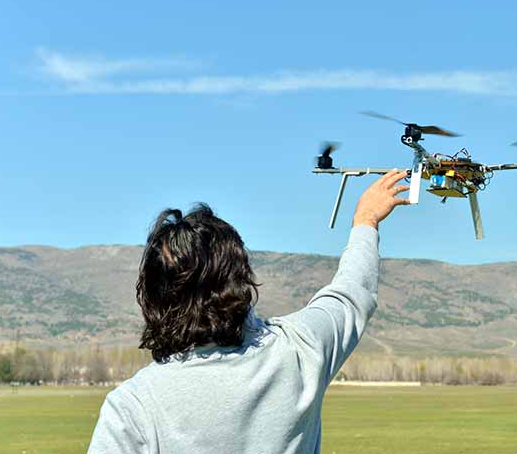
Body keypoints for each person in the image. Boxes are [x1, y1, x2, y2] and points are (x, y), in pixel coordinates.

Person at [88, 170, 410, 453]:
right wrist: (365, 221)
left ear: (154, 297)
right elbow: (352, 293)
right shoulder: (298, 350)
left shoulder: (133, 405)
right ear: (240, 281)